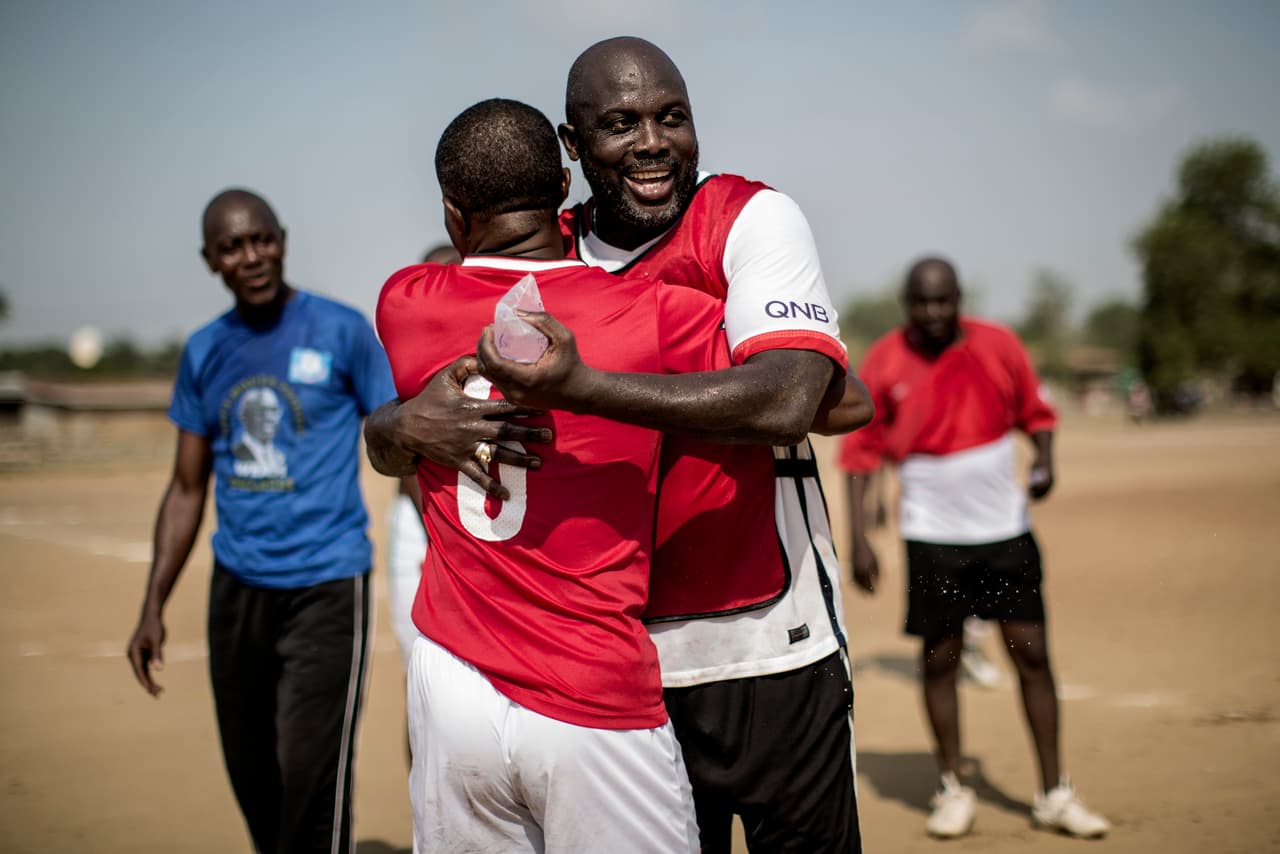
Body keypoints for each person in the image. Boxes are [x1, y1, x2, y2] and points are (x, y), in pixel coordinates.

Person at [367, 37, 871, 853]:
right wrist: (386, 426)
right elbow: (419, 402)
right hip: (620, 656)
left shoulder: (748, 215)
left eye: (672, 118)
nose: (651, 143)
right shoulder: (549, 256)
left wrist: (582, 386)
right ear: (571, 154)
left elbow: (801, 396)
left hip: (768, 636)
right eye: (620, 123)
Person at [380, 97, 742, 853]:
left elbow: (394, 422)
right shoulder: (656, 314)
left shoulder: (404, 303)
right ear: (566, 185)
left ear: (454, 215)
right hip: (591, 687)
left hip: (451, 684)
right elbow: (807, 394)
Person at [125, 189, 396, 854]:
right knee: (253, 777)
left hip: (328, 586)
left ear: (282, 237)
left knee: (311, 776)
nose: (252, 256)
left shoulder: (342, 330)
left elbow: (396, 437)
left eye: (262, 239)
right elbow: (187, 489)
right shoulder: (205, 352)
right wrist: (152, 603)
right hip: (237, 588)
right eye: (232, 246)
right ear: (210, 260)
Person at [838, 256, 1110, 840]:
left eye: (943, 301)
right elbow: (861, 450)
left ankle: (1054, 793)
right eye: (921, 302)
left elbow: (1037, 414)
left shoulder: (998, 345)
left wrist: (1045, 461)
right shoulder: (887, 357)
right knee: (940, 659)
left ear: (960, 298)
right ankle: (953, 786)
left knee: (1032, 655)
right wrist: (858, 537)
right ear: (907, 304)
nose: (933, 312)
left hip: (1004, 531)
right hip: (931, 534)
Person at [385, 242, 460, 669]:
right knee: (422, 665)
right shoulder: (406, 355)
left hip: (473, 519)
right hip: (422, 520)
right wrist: (439, 533)